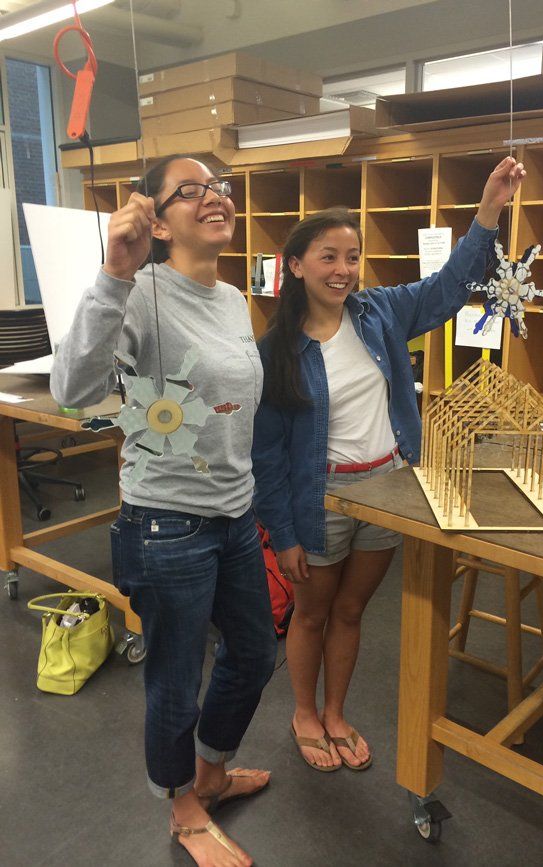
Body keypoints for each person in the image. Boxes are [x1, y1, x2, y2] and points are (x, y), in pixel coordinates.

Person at [252, 156, 525, 772]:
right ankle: (303, 712)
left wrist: (488, 210)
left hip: (388, 489)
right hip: (319, 501)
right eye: (328, 256)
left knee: (351, 612)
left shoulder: (378, 313)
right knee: (313, 613)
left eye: (351, 257)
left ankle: (337, 712)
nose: (343, 270)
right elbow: (264, 454)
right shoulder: (274, 352)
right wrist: (283, 532)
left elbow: (452, 285)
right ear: (295, 266)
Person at [51, 154, 277, 867]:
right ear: (154, 213)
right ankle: (181, 801)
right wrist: (116, 272)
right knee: (175, 679)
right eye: (192, 190)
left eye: (221, 187)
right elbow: (74, 385)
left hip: (234, 514)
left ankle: (210, 770)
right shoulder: (140, 290)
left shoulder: (235, 297)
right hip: (166, 523)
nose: (215, 198)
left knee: (253, 652)